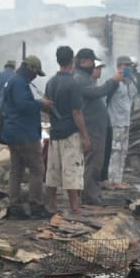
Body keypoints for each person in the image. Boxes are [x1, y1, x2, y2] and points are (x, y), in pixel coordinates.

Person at [0, 55, 53, 220]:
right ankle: (36, 206)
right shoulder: (19, 83)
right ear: (30, 68)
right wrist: (41, 104)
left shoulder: (13, 81)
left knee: (16, 170)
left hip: (13, 133)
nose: (36, 76)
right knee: (37, 169)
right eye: (36, 72)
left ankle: (15, 207)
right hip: (25, 134)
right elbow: (24, 106)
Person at [43, 45, 92, 217]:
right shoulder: (73, 84)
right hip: (70, 133)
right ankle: (74, 207)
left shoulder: (50, 83)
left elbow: (46, 107)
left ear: (57, 60)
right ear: (73, 61)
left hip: (55, 132)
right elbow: (77, 113)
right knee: (72, 169)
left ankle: (52, 205)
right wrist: (85, 136)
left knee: (53, 170)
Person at [74, 48, 121, 206]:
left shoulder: (85, 78)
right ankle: (91, 196)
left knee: (96, 163)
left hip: (97, 127)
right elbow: (99, 92)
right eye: (92, 63)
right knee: (93, 164)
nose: (95, 67)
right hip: (92, 128)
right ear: (83, 62)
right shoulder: (80, 79)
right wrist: (113, 81)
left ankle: (91, 194)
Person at [107, 55, 140, 185]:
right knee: (115, 152)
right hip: (116, 123)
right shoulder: (114, 83)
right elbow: (105, 101)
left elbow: (133, 98)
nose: (129, 68)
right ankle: (111, 180)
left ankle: (118, 180)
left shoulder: (128, 83)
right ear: (119, 66)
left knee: (123, 152)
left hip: (125, 122)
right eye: (126, 65)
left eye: (130, 66)